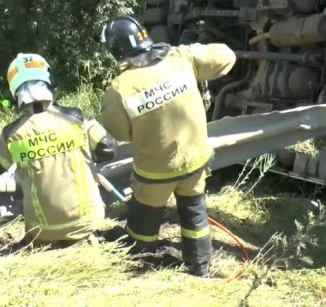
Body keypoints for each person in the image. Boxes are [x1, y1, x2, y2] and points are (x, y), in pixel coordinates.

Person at [99, 16, 236, 277]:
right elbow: (226, 57)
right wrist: (194, 52)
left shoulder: (120, 87)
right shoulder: (181, 58)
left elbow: (120, 132)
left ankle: (142, 264)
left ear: (115, 49)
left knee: (144, 217)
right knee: (195, 214)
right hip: (195, 161)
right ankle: (199, 268)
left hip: (155, 171)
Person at [0, 53, 117, 245]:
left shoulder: (12, 134)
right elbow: (109, 148)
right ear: (50, 82)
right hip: (88, 223)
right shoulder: (75, 117)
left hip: (42, 230)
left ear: (15, 91)